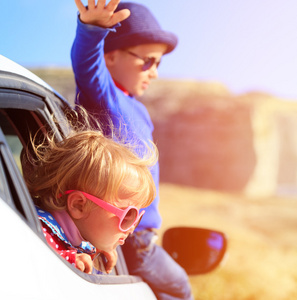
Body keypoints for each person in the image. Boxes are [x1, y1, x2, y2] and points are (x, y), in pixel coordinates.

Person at [70, 1, 193, 299]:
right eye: (148, 61)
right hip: (132, 238)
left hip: (141, 236)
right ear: (110, 57)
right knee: (180, 286)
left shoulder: (139, 110)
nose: (155, 73)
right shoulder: (104, 96)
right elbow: (86, 64)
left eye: (159, 64)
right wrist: (92, 30)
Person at [23, 113, 157, 275]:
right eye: (128, 215)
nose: (131, 229)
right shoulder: (37, 231)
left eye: (138, 218)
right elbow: (26, 263)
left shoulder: (81, 232)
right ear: (79, 205)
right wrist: (70, 261)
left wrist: (97, 248)